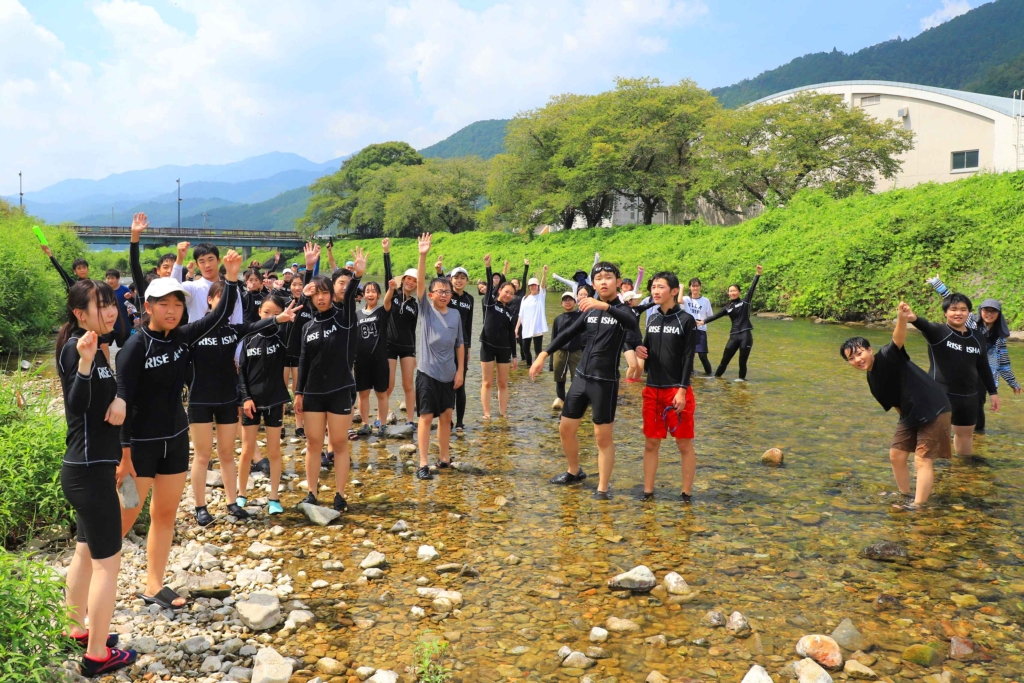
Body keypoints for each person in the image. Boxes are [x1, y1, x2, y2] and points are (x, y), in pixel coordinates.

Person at [116, 213, 243, 611]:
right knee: (117, 525)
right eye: (163, 304)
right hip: (138, 446)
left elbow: (220, 315)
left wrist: (233, 281)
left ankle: (154, 584)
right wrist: (122, 457)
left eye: (177, 303)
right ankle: (91, 594)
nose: (172, 310)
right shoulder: (136, 347)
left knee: (166, 514)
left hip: (174, 438)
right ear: (148, 305)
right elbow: (122, 401)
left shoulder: (184, 337)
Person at [56, 280, 138, 676]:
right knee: (109, 564)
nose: (110, 312)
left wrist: (120, 398)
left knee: (85, 552)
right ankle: (97, 655)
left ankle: (75, 629)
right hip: (89, 474)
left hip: (84, 470)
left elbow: (101, 399)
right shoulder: (80, 348)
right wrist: (89, 363)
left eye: (111, 304)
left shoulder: (89, 341)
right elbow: (76, 402)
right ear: (79, 313)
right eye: (100, 305)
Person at [187, 279, 299, 526]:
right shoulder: (194, 330)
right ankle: (200, 506)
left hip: (228, 399)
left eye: (231, 302)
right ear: (210, 300)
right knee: (202, 456)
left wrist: (280, 318)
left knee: (227, 454)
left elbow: (260, 325)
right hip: (200, 400)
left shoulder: (233, 330)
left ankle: (232, 503)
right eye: (221, 299)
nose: (226, 305)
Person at [529, 261, 641, 499]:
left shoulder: (624, 310)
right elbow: (569, 332)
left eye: (608, 277)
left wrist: (605, 306)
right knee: (565, 429)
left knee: (602, 437)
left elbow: (632, 324)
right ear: (593, 283)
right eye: (598, 278)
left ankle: (602, 487)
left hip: (605, 382)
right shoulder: (589, 310)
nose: (603, 281)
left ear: (618, 283)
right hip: (581, 378)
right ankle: (574, 471)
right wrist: (543, 354)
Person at [840, 303, 953, 509]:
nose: (857, 359)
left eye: (859, 353)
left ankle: (918, 506)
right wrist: (909, 426)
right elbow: (896, 406)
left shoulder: (886, 356)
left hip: (934, 407)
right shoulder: (872, 381)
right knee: (896, 454)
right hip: (910, 414)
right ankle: (905, 495)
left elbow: (898, 338)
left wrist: (901, 318)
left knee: (922, 459)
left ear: (869, 350)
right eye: (851, 358)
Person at [294, 246, 366, 513]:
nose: (322, 297)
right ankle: (311, 493)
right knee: (313, 444)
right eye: (318, 293)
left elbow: (348, 297)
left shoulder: (345, 318)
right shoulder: (307, 325)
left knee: (338, 444)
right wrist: (298, 393)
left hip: (339, 390)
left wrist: (356, 276)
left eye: (326, 292)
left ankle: (339, 494)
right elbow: (302, 361)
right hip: (313, 392)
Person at [906, 295, 998, 456]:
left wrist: (993, 392)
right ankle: (921, 471)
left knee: (965, 435)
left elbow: (983, 367)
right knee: (930, 436)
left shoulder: (977, 338)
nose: (958, 313)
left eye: (963, 310)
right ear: (945, 313)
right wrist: (912, 317)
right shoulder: (939, 332)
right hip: (940, 394)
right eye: (953, 309)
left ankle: (962, 474)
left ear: (969, 313)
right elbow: (924, 325)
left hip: (968, 397)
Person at [634, 272, 698, 501]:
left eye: (660, 287)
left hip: (676, 389)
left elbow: (689, 358)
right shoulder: (651, 319)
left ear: (673, 291)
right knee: (651, 442)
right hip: (652, 388)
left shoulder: (686, 320)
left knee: (683, 443)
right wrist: (640, 354)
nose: (655, 291)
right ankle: (648, 491)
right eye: (653, 287)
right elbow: (647, 353)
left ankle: (685, 493)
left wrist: (682, 389)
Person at [927, 277, 1021, 432]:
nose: (989, 314)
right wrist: (937, 284)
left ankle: (977, 436)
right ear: (980, 311)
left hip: (983, 376)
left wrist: (1013, 383)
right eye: (986, 310)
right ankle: (952, 433)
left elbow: (1003, 363)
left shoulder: (999, 337)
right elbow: (952, 301)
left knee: (977, 405)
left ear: (998, 314)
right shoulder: (970, 322)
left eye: (993, 312)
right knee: (952, 403)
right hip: (964, 371)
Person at [237, 292, 298, 515]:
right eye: (266, 312)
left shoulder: (281, 337)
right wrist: (245, 398)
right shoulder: (248, 338)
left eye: (275, 313)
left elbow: (296, 318)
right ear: (258, 313)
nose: (270, 316)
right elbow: (241, 370)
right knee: (246, 451)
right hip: (250, 403)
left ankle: (274, 497)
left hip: (275, 400)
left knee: (274, 451)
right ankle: (241, 494)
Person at [412, 233, 465, 480]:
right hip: (427, 373)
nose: (443, 294)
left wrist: (460, 371)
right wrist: (423, 255)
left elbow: (460, 345)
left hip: (448, 374)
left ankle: (444, 457)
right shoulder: (426, 310)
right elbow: (420, 283)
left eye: (447, 291)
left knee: (446, 417)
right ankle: (423, 463)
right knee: (425, 417)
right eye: (439, 291)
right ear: (431, 295)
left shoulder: (455, 315)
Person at [699, 265, 762, 381]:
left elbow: (752, 289)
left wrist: (757, 275)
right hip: (733, 336)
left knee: (742, 362)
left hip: (745, 336)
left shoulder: (745, 302)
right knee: (724, 360)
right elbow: (716, 316)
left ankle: (741, 382)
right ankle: (716, 378)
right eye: (730, 291)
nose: (732, 293)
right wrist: (702, 322)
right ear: (728, 293)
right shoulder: (728, 307)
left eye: (734, 290)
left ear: (739, 292)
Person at [354, 276, 397, 437]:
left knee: (381, 393)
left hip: (379, 359)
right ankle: (365, 424)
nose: (370, 294)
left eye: (373, 291)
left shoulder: (382, 311)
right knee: (363, 394)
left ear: (378, 295)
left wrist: (391, 289)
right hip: (361, 360)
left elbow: (387, 302)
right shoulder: (357, 314)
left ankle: (383, 425)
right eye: (367, 291)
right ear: (363, 295)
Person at [383, 239, 419, 425]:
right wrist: (386, 252)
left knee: (408, 385)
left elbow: (413, 329)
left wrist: (415, 354)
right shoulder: (393, 296)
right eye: (408, 279)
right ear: (403, 280)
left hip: (407, 348)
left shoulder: (415, 304)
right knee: (388, 385)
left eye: (414, 281)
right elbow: (388, 278)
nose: (410, 283)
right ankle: (386, 414)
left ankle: (411, 420)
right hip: (389, 345)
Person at [480, 255, 518, 419]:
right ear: (500, 290)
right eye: (506, 292)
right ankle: (487, 413)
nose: (509, 295)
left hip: (504, 349)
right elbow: (489, 289)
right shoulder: (489, 302)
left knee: (502, 383)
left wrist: (515, 355)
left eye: (512, 293)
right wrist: (488, 267)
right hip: (487, 345)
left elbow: (511, 334)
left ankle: (503, 413)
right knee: (487, 382)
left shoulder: (510, 312)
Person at [172, 240, 244, 325]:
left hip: (226, 337)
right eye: (202, 261)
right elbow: (172, 288)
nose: (207, 265)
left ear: (218, 260)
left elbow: (237, 322)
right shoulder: (192, 288)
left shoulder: (231, 289)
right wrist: (179, 259)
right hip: (198, 337)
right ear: (197, 265)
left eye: (211, 259)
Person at [283, 273, 311, 438]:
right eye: (294, 284)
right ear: (290, 286)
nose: (298, 288)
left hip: (301, 354)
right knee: (281, 389)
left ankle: (299, 426)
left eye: (301, 284)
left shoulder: (311, 306)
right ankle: (279, 425)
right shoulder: (286, 303)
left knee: (299, 391)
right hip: (285, 352)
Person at [447, 265, 475, 433]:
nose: (459, 280)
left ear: (467, 281)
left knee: (460, 383)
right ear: (451, 280)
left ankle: (460, 422)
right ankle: (447, 420)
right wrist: (440, 271)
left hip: (461, 345)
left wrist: (469, 347)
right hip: (446, 343)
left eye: (462, 278)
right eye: (456, 277)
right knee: (446, 382)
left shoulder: (470, 299)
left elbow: (469, 324)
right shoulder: (447, 295)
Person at [549, 291, 583, 410]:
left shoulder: (580, 316)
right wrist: (551, 361)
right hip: (560, 352)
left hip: (576, 351)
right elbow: (554, 338)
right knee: (560, 379)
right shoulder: (558, 319)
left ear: (575, 302)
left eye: (570, 300)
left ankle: (575, 402)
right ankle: (561, 400)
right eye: (565, 300)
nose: (567, 302)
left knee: (577, 378)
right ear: (561, 303)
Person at [681, 277, 714, 377]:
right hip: (688, 331)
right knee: (689, 355)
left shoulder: (705, 300)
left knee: (702, 355)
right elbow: (678, 301)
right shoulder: (686, 299)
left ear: (700, 287)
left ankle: (710, 375)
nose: (695, 288)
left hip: (701, 330)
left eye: (697, 286)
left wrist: (702, 322)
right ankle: (690, 375)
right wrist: (681, 288)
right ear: (690, 287)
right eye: (693, 286)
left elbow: (710, 315)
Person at [517, 267, 549, 367]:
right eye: (531, 285)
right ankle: (529, 366)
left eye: (535, 285)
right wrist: (517, 327)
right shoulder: (524, 298)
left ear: (538, 286)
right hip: (526, 327)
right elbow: (520, 314)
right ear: (528, 287)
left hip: (537, 327)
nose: (533, 287)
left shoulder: (540, 296)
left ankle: (538, 367)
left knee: (538, 350)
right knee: (525, 349)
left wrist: (544, 274)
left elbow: (543, 285)